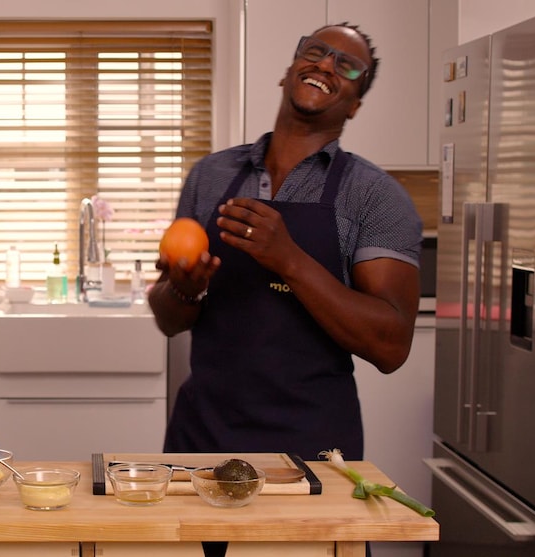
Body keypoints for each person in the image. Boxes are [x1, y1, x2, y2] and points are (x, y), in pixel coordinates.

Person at [151, 23, 422, 464]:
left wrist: (290, 260)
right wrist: (185, 286)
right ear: (288, 72)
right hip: (202, 442)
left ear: (354, 106)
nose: (325, 64)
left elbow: (390, 347)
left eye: (347, 66)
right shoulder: (211, 175)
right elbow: (168, 319)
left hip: (311, 450)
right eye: (316, 51)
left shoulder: (375, 195)